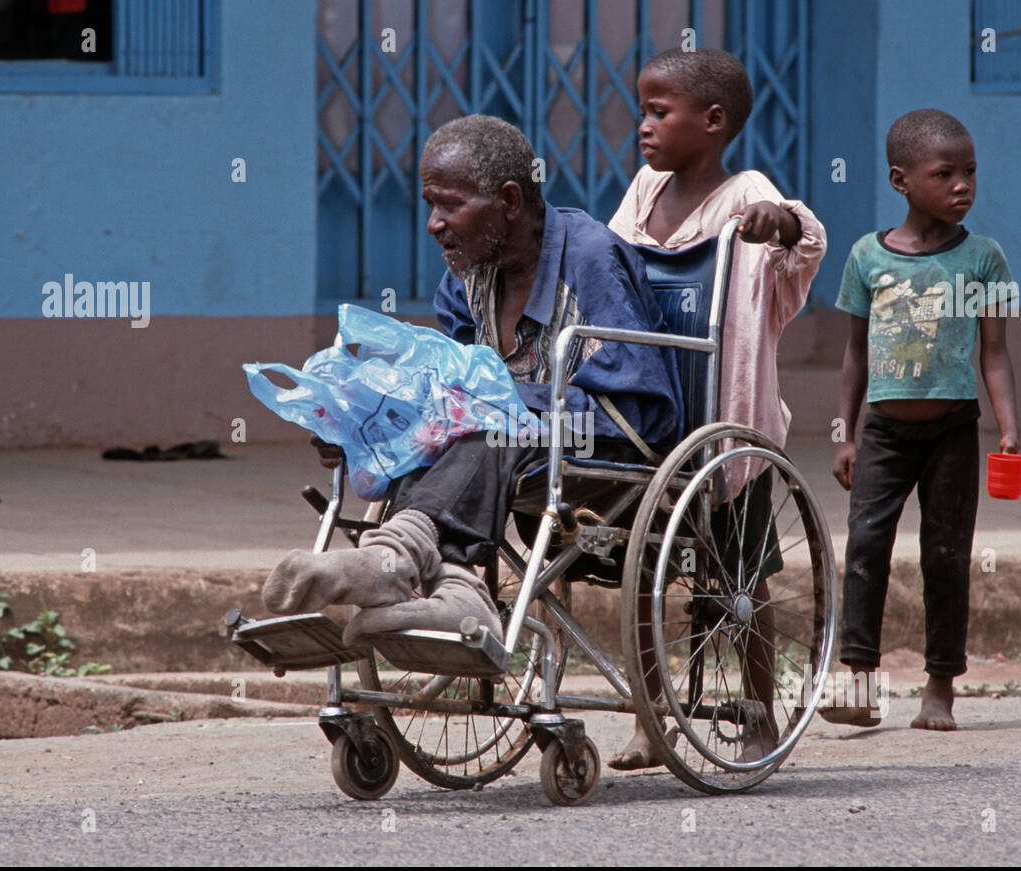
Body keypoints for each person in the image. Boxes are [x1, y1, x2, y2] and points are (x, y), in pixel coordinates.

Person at [262, 114, 683, 646]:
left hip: (603, 448)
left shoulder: (590, 258)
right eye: (430, 205)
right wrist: (363, 425)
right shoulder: (467, 274)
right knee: (438, 434)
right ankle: (458, 591)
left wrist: (498, 406)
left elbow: (634, 407)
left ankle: (393, 559)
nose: (435, 223)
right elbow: (450, 387)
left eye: (450, 205)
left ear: (509, 201)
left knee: (488, 428)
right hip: (513, 448)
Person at [605, 47, 827, 769]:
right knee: (642, 574)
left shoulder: (748, 195)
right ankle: (648, 720)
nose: (643, 126)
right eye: (643, 109)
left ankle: (760, 717)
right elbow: (605, 263)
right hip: (651, 421)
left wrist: (781, 223)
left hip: (726, 429)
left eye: (658, 112)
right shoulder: (644, 189)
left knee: (742, 581)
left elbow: (802, 241)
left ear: (713, 121)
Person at [820, 108, 1021, 732]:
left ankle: (940, 687)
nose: (963, 185)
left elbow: (995, 352)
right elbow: (854, 353)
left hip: (953, 431)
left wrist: (1009, 427)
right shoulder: (866, 257)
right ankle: (856, 682)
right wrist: (844, 434)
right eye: (945, 174)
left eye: (970, 172)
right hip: (883, 430)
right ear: (901, 180)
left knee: (945, 556)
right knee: (866, 549)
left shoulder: (983, 258)